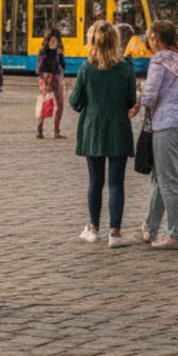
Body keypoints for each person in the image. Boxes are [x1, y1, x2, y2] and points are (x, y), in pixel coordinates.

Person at [70, 21, 138, 248]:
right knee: (116, 183)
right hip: (118, 127)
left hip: (93, 129)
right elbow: (130, 100)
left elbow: (75, 102)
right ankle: (115, 233)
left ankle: (92, 228)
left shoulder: (86, 68)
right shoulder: (126, 69)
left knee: (95, 181)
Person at [137, 21, 178, 249]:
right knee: (162, 178)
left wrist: (138, 103)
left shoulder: (160, 60)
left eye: (149, 37)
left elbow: (150, 95)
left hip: (168, 124)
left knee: (169, 181)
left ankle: (177, 234)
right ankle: (149, 227)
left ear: (155, 37)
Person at [36, 29, 67, 139]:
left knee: (60, 105)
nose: (54, 43)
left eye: (56, 41)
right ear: (48, 41)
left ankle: (56, 131)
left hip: (57, 77)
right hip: (46, 78)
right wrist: (45, 81)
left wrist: (61, 56)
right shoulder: (43, 52)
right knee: (47, 104)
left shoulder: (58, 52)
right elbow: (39, 69)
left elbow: (63, 66)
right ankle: (40, 128)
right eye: (52, 41)